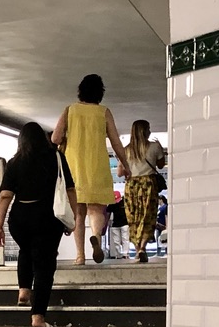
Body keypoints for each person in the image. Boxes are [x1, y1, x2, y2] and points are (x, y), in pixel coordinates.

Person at [0, 122, 75, 327]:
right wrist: (71, 217)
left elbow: (5, 196)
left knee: (27, 250)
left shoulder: (14, 162)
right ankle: (38, 316)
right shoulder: (56, 157)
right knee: (45, 267)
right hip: (47, 217)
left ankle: (23, 289)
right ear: (42, 138)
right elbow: (70, 189)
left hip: (20, 217)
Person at [51, 74, 133, 265]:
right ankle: (96, 235)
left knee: (79, 213)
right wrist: (125, 165)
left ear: (81, 91)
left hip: (74, 167)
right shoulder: (104, 112)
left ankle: (80, 256)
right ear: (100, 93)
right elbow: (116, 142)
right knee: (97, 210)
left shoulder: (70, 110)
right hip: (97, 166)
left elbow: (55, 138)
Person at [118, 120, 166, 263]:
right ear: (145, 131)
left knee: (133, 217)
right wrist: (161, 149)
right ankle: (142, 248)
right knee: (148, 216)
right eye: (148, 129)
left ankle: (137, 248)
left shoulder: (126, 150)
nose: (150, 131)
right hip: (148, 184)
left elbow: (120, 172)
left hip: (132, 184)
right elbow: (161, 165)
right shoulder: (154, 147)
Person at [107, 192, 129, 258]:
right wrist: (107, 222)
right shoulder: (111, 204)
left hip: (125, 223)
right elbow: (108, 213)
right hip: (115, 224)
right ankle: (118, 254)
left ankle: (125, 254)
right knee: (116, 241)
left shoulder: (125, 202)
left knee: (125, 239)